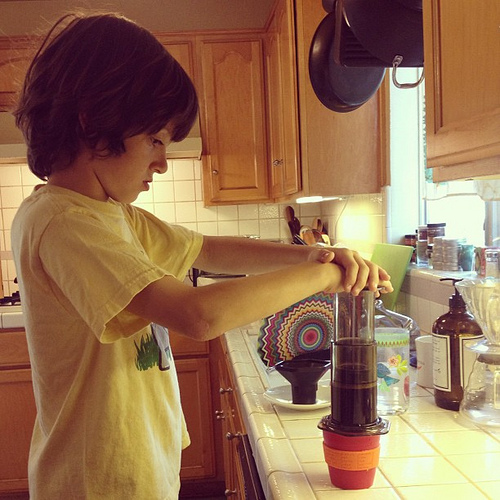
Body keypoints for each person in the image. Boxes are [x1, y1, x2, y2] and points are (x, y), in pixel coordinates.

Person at [11, 12, 393, 500]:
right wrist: (324, 278)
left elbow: (207, 249)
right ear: (93, 120)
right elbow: (198, 315)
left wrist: (310, 256)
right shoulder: (64, 221)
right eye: (154, 139)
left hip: (135, 467)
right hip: (96, 481)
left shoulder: (111, 215)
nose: (162, 162)